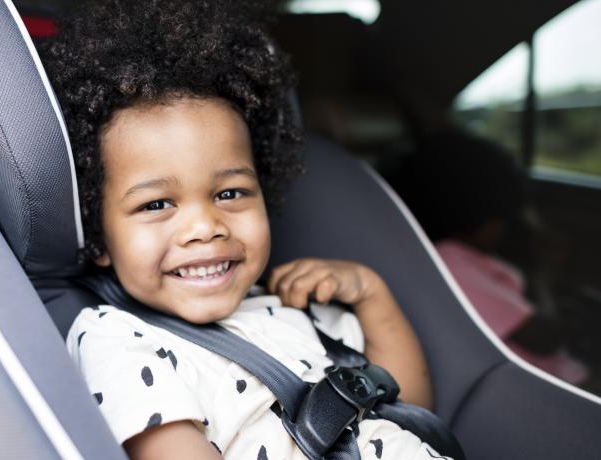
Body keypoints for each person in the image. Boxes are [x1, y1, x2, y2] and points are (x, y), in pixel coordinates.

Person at [42, 1, 446, 458]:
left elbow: (411, 414)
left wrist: (372, 295)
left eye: (230, 193)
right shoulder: (118, 342)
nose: (205, 227)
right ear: (98, 234)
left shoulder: (294, 308)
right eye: (156, 204)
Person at [390, 130, 588, 385]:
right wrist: (541, 275)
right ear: (474, 216)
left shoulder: (458, 257)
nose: (505, 229)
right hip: (547, 383)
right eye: (500, 219)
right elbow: (544, 339)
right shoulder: (454, 264)